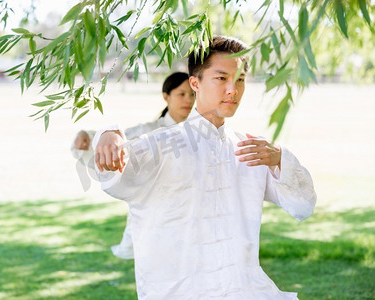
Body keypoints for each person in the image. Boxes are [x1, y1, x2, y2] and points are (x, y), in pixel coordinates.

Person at [93, 36, 316, 299]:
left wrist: (280, 159)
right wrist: (108, 133)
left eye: (240, 79)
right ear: (195, 82)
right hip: (179, 290)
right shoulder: (161, 146)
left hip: (242, 289)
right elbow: (113, 175)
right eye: (221, 78)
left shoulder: (251, 150)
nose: (233, 89)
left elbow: (303, 205)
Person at [71, 72, 195, 259]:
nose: (188, 100)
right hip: (155, 217)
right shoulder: (148, 132)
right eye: (181, 94)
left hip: (190, 217)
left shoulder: (198, 132)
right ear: (166, 96)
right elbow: (115, 141)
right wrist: (86, 136)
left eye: (192, 94)